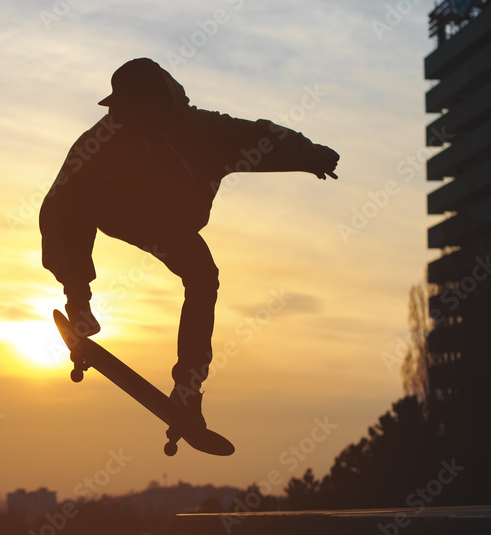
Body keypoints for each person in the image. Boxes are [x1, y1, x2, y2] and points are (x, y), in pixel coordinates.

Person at [40, 57, 339, 431]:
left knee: (202, 275)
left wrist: (310, 155)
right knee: (78, 193)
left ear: (156, 106)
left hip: (170, 224)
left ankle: (188, 391)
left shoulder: (204, 130)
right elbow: (57, 207)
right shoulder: (102, 139)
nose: (127, 120)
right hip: (119, 210)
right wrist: (74, 287)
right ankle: (81, 306)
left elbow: (260, 137)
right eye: (122, 111)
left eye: (134, 111)